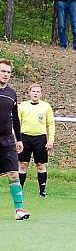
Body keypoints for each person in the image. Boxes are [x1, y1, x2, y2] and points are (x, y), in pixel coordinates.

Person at [0, 60, 29, 220]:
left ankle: (19, 210)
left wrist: (19, 139)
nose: (5, 74)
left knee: (13, 174)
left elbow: (16, 119)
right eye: (3, 71)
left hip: (7, 141)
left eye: (8, 72)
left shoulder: (12, 93)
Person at [18, 84, 56, 197]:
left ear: (41, 93)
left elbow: (51, 124)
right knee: (23, 165)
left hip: (40, 138)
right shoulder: (22, 106)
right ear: (29, 93)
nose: (35, 93)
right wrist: (16, 139)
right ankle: (19, 192)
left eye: (38, 91)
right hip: (24, 137)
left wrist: (51, 140)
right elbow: (16, 123)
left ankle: (42, 192)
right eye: (33, 91)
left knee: (40, 165)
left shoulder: (46, 106)